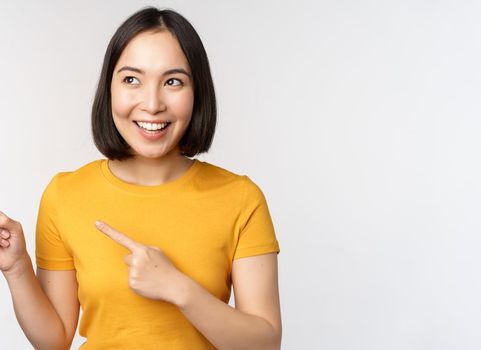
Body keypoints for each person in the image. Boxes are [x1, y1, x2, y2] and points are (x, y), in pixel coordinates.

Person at [0, 6, 282, 349]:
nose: (152, 103)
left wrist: (179, 289)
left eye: (173, 81)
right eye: (132, 79)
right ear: (109, 89)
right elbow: (54, 340)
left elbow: (264, 344)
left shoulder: (240, 197)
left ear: (198, 92)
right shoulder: (65, 194)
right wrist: (17, 268)